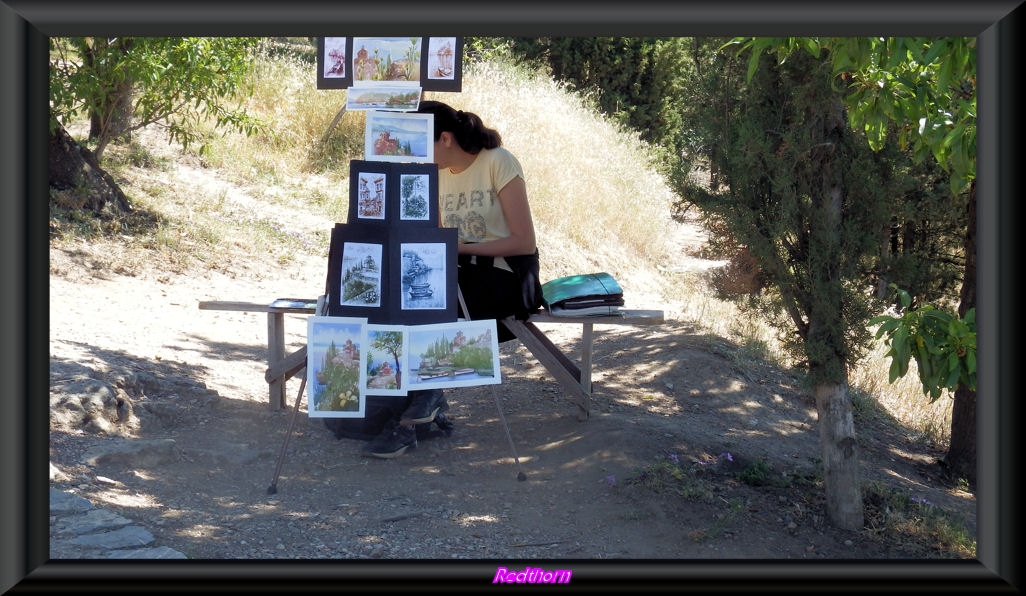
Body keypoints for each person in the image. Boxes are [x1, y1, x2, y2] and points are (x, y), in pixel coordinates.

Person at [361, 100, 544, 459]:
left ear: (445, 138)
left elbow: (524, 242)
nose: (417, 154)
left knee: (427, 306)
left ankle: (415, 411)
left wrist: (456, 249)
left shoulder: (498, 162)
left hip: (508, 277)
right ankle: (413, 407)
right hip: (462, 273)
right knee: (399, 299)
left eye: (421, 144)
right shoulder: (437, 174)